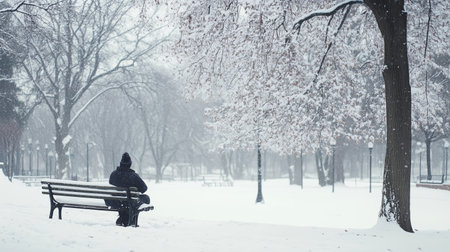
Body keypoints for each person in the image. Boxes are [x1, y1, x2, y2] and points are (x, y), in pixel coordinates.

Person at [107, 152, 150, 226]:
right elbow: (144, 188)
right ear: (130, 164)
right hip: (129, 202)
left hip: (114, 201)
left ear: (121, 163)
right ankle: (130, 219)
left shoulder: (113, 174)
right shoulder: (133, 176)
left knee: (126, 200)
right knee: (145, 198)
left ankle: (123, 218)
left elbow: (111, 184)